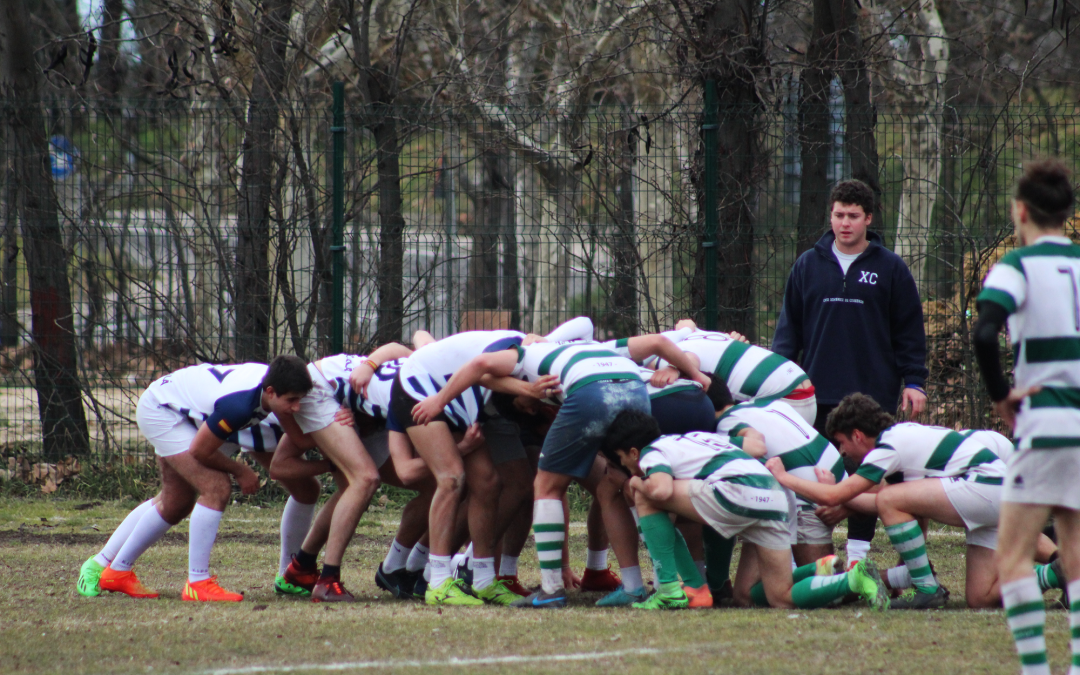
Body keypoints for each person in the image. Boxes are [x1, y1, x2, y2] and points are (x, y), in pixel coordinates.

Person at [411, 334, 711, 608]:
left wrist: (439, 400)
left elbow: (479, 364)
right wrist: (697, 374)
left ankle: (551, 590)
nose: (529, 405)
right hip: (636, 392)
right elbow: (658, 340)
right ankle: (656, 587)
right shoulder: (598, 346)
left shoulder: (526, 355)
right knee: (625, 488)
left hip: (591, 393)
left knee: (546, 485)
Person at [767, 393, 1064, 609]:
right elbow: (888, 503)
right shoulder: (899, 440)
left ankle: (926, 588)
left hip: (987, 484)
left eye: (842, 443)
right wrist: (845, 500)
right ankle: (1056, 573)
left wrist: (784, 478)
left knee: (890, 499)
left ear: (857, 435)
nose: (842, 452)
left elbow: (853, 498)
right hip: (995, 489)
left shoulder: (887, 446)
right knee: (981, 598)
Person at [772, 178, 929, 567]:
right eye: (839, 215)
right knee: (812, 471)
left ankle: (858, 555)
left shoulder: (890, 268)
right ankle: (808, 557)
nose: (845, 223)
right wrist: (777, 384)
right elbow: (788, 333)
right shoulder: (808, 265)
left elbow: (909, 332)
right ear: (831, 215)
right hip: (813, 394)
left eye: (853, 216)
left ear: (868, 219)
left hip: (871, 393)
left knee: (869, 473)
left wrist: (915, 382)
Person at [600, 411, 889, 612]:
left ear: (634, 451)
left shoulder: (652, 453)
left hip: (740, 492)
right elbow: (753, 444)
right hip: (775, 497)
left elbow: (661, 490)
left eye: (624, 459)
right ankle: (850, 577)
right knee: (772, 596)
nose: (626, 466)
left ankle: (671, 591)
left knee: (645, 493)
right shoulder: (699, 438)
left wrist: (634, 481)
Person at [76, 357, 312, 601]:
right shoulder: (241, 405)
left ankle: (114, 569)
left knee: (175, 502)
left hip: (187, 407)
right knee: (216, 488)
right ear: (271, 392)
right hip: (163, 407)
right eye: (292, 401)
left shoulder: (275, 390)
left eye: (300, 400)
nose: (298, 407)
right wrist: (240, 470)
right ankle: (196, 582)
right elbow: (201, 450)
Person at [974, 159, 1080, 675]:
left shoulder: (1017, 266)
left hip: (1042, 426)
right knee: (1076, 554)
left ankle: (1037, 671)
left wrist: (1000, 395)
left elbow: (982, 332)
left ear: (1021, 211)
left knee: (1012, 557)